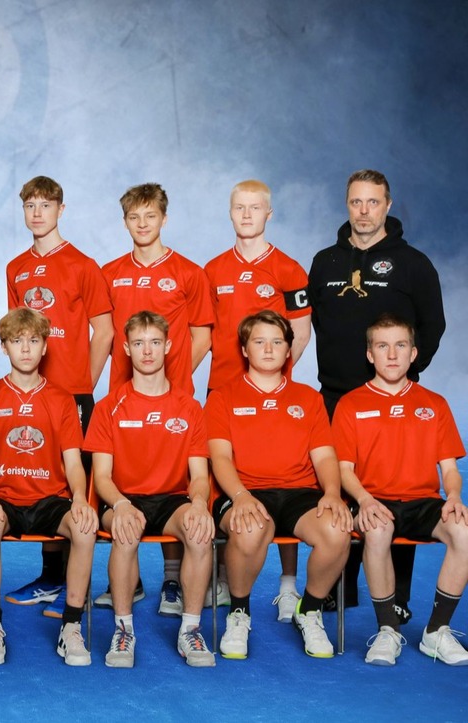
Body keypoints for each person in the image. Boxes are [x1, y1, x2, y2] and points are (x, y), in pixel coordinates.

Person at [308, 169, 446, 616]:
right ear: (346, 205)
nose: (364, 211)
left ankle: (397, 600)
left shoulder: (413, 264)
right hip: (335, 397)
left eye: (373, 202)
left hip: (393, 399)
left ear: (388, 205)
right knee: (341, 491)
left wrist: (402, 376)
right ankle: (337, 588)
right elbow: (315, 322)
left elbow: (433, 324)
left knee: (398, 492)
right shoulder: (325, 262)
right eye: (356, 202)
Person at [208, 310, 351, 660]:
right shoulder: (222, 397)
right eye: (259, 341)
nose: (269, 349)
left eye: (277, 342)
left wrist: (333, 493)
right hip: (245, 490)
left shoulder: (309, 398)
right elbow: (220, 458)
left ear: (289, 350)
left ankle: (309, 609)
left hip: (299, 493)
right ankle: (239, 613)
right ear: (245, 349)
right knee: (248, 528)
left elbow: (324, 457)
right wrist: (240, 496)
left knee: (338, 528)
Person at [1, 175, 113, 612]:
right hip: (33, 393)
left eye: (46, 205)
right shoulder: (15, 267)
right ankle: (51, 578)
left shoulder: (84, 265)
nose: (37, 213)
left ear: (61, 210)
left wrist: (84, 382)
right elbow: (16, 332)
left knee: (73, 482)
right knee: (45, 477)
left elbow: (104, 330)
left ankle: (74, 585)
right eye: (30, 205)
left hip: (72, 393)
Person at [102, 182, 214, 615]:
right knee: (127, 481)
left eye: (150, 216)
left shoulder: (188, 272)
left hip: (171, 395)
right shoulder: (110, 272)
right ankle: (128, 585)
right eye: (134, 217)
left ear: (164, 219)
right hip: (124, 397)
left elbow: (202, 334)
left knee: (173, 484)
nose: (143, 224)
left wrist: (174, 375)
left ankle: (172, 580)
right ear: (125, 222)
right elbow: (104, 333)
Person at [204, 179, 312, 622]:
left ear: (269, 213)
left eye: (255, 208)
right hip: (222, 392)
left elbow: (300, 331)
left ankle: (288, 586)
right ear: (230, 212)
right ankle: (222, 578)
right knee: (225, 481)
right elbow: (203, 333)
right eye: (239, 208)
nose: (247, 215)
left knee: (287, 480)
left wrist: (271, 378)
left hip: (273, 395)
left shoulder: (289, 269)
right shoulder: (212, 270)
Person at [334, 314, 468, 665]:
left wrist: (454, 497)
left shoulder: (435, 404)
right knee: (377, 530)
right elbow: (344, 471)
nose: (392, 354)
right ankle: (388, 630)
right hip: (373, 500)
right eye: (383, 346)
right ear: (370, 354)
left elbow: (450, 470)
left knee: (464, 531)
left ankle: (436, 632)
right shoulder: (350, 404)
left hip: (423, 502)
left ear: (413, 353)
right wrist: (364, 500)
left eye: (400, 345)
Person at [0, 308, 97, 667]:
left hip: (50, 499)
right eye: (17, 341)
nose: (25, 348)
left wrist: (80, 499)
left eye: (34, 340)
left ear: (45, 347)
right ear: (4, 347)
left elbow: (74, 463)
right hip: (3, 498)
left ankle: (71, 627)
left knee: (85, 529)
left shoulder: (62, 399)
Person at [85, 311, 214, 667]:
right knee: (126, 532)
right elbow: (102, 477)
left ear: (168, 347)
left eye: (155, 342)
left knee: (200, 531)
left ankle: (190, 629)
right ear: (126, 348)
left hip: (172, 500)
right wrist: (121, 505)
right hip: (123, 498)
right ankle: (123, 630)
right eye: (139, 343)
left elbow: (199, 476)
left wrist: (199, 504)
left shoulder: (189, 408)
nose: (147, 351)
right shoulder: (108, 407)